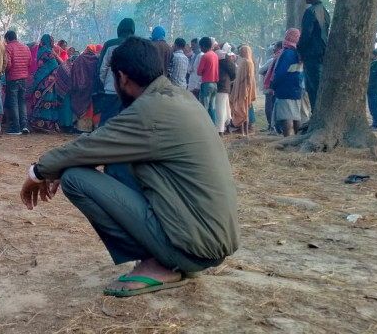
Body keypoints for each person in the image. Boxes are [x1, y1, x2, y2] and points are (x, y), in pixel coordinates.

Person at [20, 36, 239, 297]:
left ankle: (158, 263)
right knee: (110, 161)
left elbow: (90, 145)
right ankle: (165, 258)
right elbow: (100, 145)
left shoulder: (150, 111)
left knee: (74, 178)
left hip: (192, 248)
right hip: (207, 240)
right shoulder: (178, 97)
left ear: (122, 78)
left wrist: (38, 172)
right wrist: (61, 164)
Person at [297, 0, 330, 112]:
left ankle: (315, 114)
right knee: (319, 85)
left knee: (312, 86)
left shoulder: (310, 12)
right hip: (322, 53)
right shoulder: (325, 11)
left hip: (311, 54)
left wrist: (299, 49)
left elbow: (306, 34)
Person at [96, 18, 135, 126]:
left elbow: (102, 68)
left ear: (119, 29)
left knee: (106, 122)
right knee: (127, 124)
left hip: (111, 90)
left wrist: (106, 84)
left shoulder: (109, 44)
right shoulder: (138, 44)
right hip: (132, 91)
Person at [271, 29, 304, 137]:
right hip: (297, 89)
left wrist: (274, 84)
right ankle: (297, 138)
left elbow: (280, 73)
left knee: (286, 117)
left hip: (285, 89)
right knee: (296, 117)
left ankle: (287, 140)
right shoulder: (299, 53)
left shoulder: (287, 53)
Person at [29, 34, 62, 133]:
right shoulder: (49, 53)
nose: (53, 43)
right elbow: (55, 66)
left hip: (37, 81)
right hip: (48, 83)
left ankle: (36, 124)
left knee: (38, 102)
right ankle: (46, 126)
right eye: (52, 41)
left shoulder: (37, 51)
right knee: (47, 103)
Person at [4, 30, 30, 135]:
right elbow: (29, 62)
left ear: (7, 39)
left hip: (13, 78)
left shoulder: (8, 48)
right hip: (24, 78)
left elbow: (8, 64)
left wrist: (5, 71)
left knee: (14, 102)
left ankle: (16, 127)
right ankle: (24, 125)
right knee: (22, 102)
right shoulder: (26, 47)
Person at [71, 45, 99, 133]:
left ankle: (80, 128)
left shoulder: (79, 59)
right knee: (91, 108)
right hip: (92, 87)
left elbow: (73, 71)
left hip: (80, 88)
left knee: (80, 106)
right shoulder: (97, 59)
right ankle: (90, 127)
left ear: (86, 49)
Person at [231, 45, 257, 136]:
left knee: (242, 109)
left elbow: (248, 78)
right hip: (244, 88)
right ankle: (243, 130)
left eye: (242, 51)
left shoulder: (246, 62)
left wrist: (243, 86)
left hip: (243, 89)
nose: (240, 52)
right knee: (244, 109)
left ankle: (244, 131)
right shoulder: (249, 62)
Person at [259, 42, 282, 133]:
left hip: (270, 87)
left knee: (269, 108)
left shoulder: (272, 59)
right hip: (273, 87)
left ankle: (272, 126)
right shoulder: (277, 57)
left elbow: (260, 70)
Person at [215, 43, 236, 136]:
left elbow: (233, 70)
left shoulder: (221, 56)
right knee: (225, 108)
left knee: (220, 109)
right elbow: (233, 71)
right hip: (224, 85)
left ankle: (220, 130)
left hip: (220, 86)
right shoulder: (224, 56)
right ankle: (227, 128)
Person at [197, 36, 218, 124]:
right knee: (212, 107)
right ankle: (213, 126)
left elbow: (199, 71)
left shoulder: (205, 56)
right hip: (214, 83)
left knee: (204, 107)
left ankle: (205, 127)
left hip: (206, 83)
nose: (200, 49)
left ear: (204, 46)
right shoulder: (215, 55)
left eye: (201, 46)